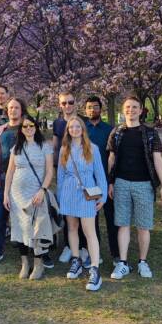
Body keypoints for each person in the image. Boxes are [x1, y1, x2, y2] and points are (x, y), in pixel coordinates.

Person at [107, 95, 162, 279]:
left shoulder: (150, 133)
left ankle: (143, 262)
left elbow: (158, 159)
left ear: (141, 110)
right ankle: (123, 263)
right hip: (121, 184)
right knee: (123, 224)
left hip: (144, 185)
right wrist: (111, 181)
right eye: (128, 107)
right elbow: (111, 158)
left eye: (135, 107)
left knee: (143, 226)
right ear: (122, 110)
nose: (131, 110)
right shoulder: (116, 133)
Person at [57, 116, 107, 292]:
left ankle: (94, 268)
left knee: (89, 231)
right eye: (71, 127)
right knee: (72, 227)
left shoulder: (93, 149)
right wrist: (59, 197)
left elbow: (100, 174)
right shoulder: (64, 149)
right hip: (69, 192)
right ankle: (76, 259)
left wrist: (103, 196)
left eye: (78, 126)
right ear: (68, 130)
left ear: (83, 129)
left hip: (87, 193)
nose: (75, 129)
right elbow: (61, 175)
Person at [3, 113, 57, 280]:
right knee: (20, 228)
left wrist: (42, 190)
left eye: (31, 126)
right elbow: (10, 171)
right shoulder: (16, 148)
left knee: (37, 229)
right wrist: (5, 194)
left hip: (36, 194)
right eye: (25, 126)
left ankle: (39, 264)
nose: (28, 129)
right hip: (17, 195)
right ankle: (25, 263)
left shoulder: (44, 146)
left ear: (36, 127)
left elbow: (50, 171)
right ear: (21, 129)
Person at [0, 97, 27, 268]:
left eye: (16, 107)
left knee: (24, 216)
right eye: (10, 108)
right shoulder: (1, 130)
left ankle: (29, 252)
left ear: (21, 110)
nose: (12, 110)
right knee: (0, 216)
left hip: (24, 179)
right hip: (3, 178)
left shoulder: (27, 128)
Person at [84, 96, 118, 264]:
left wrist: (111, 179)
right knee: (92, 219)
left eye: (95, 107)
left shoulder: (109, 130)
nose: (92, 110)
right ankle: (94, 254)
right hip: (89, 183)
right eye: (89, 107)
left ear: (101, 109)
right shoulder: (83, 130)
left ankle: (116, 254)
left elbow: (114, 155)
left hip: (105, 180)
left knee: (112, 218)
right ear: (85, 110)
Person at [53, 91, 84, 264]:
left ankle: (85, 246)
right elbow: (56, 146)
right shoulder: (58, 123)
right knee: (67, 209)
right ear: (60, 105)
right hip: (65, 171)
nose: (67, 106)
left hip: (82, 173)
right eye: (64, 103)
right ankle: (69, 246)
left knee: (86, 211)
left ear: (75, 103)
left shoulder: (81, 122)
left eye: (70, 102)